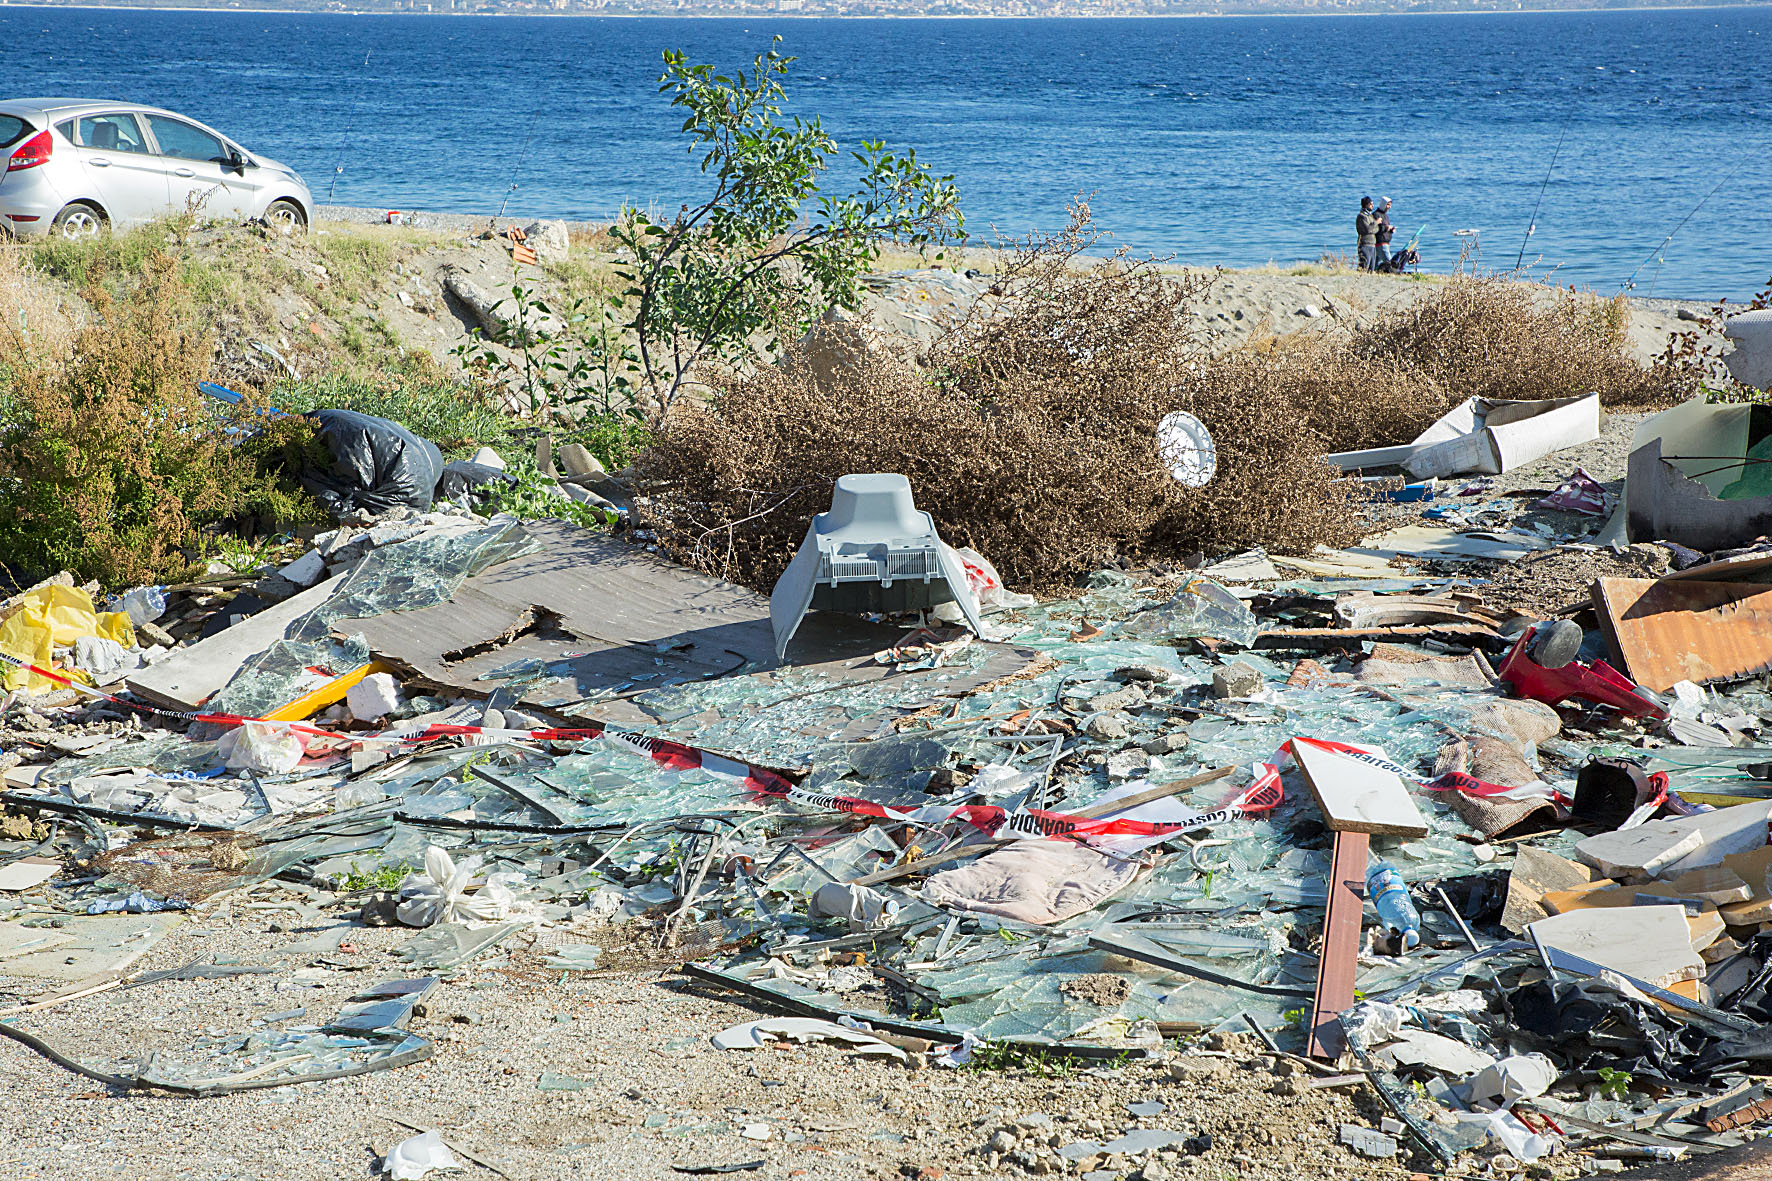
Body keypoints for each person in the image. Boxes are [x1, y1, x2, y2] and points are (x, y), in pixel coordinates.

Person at [1356, 197, 1379, 271]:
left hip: (1372, 244)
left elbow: (1376, 229)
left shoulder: (1370, 216)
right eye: (1370, 204)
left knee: (1372, 267)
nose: (1372, 206)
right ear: (1366, 205)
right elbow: (1367, 229)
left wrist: (1373, 226)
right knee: (1364, 265)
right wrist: (1376, 223)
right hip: (1364, 244)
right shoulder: (1361, 216)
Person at [1374, 197, 1396, 270]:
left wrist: (1391, 231)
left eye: (1390, 205)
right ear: (1383, 204)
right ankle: (1395, 273)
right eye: (1388, 205)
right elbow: (1376, 229)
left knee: (1375, 265)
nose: (1389, 207)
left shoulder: (1385, 216)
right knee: (1389, 263)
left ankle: (1373, 274)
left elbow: (1384, 229)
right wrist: (1386, 228)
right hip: (1380, 243)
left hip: (1385, 242)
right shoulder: (1376, 215)